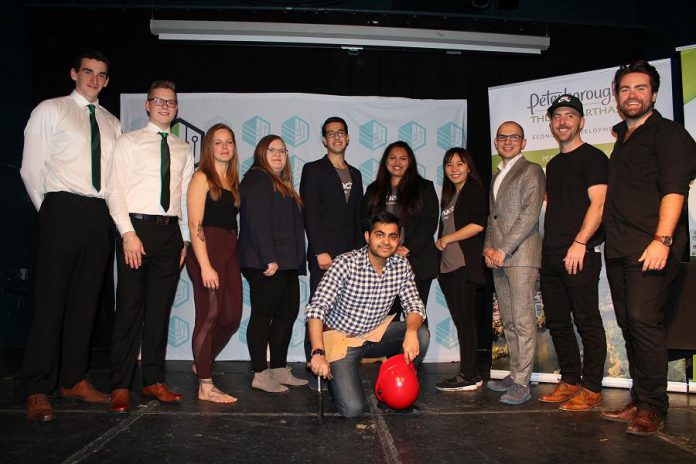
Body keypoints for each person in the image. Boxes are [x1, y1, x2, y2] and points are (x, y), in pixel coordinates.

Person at [20, 50, 121, 422]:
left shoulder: (112, 122)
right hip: (60, 209)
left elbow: (114, 178)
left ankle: (73, 379)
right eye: (88, 72)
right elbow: (31, 168)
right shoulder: (51, 109)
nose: (94, 79)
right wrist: (48, 213)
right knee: (50, 302)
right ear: (74, 73)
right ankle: (37, 387)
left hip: (100, 214)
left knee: (86, 302)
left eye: (102, 74)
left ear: (107, 81)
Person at [600, 60, 696, 435]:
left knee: (644, 322)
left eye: (640, 88)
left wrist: (663, 240)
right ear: (616, 97)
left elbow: (675, 189)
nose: (632, 95)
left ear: (653, 94)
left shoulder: (669, 134)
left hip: (651, 247)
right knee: (629, 325)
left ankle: (654, 406)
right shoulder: (623, 140)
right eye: (625, 89)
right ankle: (640, 398)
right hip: (619, 250)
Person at [105, 80, 194, 413]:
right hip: (136, 230)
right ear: (146, 105)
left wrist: (184, 238)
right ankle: (120, 386)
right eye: (158, 101)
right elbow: (114, 191)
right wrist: (128, 233)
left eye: (170, 102)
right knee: (129, 311)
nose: (164, 106)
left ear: (176, 108)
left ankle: (153, 380)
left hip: (170, 235)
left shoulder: (184, 148)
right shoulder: (127, 142)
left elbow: (184, 198)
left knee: (159, 312)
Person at [306, 212, 430, 418]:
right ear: (367, 237)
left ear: (399, 240)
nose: (386, 242)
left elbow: (414, 304)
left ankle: (391, 387)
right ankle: (337, 379)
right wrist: (318, 352)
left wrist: (411, 331)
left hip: (374, 334)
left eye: (392, 236)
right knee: (352, 410)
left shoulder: (401, 265)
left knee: (420, 334)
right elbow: (317, 308)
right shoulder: (346, 263)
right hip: (341, 339)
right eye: (380, 235)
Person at [538, 94, 608, 411]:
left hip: (579, 252)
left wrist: (580, 242)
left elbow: (599, 203)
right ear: (551, 124)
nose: (562, 121)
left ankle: (592, 388)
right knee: (557, 322)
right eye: (557, 116)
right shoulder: (553, 164)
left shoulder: (594, 158)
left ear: (581, 121)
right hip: (551, 255)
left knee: (586, 321)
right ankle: (569, 380)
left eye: (569, 115)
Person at [238, 134, 308, 393]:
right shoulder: (257, 179)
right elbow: (257, 222)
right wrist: (269, 257)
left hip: (286, 262)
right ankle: (259, 373)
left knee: (286, 314)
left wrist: (295, 261)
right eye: (272, 150)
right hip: (267, 262)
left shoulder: (280, 182)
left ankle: (278, 369)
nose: (278, 154)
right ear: (260, 154)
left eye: (282, 150)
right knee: (262, 316)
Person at [483, 121, 545, 405]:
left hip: (520, 258)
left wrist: (503, 250)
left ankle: (522, 382)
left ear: (524, 142)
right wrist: (488, 249)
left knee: (522, 321)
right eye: (502, 137)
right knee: (507, 321)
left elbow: (529, 216)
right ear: (496, 142)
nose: (508, 141)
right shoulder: (498, 174)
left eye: (514, 137)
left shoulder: (531, 170)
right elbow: (492, 218)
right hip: (498, 258)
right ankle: (514, 373)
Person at [185, 123, 243, 403]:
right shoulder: (201, 177)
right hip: (205, 252)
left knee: (231, 317)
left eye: (228, 142)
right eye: (218, 142)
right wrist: (205, 265)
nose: (224, 147)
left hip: (229, 253)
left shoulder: (232, 180)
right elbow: (195, 223)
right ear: (209, 147)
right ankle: (205, 384)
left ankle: (202, 360)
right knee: (209, 314)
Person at [300, 117, 364, 367]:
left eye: (341, 133)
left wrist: (361, 255)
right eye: (331, 133)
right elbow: (310, 214)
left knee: (346, 312)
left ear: (348, 138)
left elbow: (358, 218)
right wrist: (319, 251)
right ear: (324, 140)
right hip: (324, 257)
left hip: (350, 258)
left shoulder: (356, 174)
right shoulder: (313, 170)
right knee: (319, 310)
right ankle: (315, 362)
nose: (337, 137)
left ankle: (341, 364)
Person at [362, 141, 439, 317]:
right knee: (385, 319)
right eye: (393, 158)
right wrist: (384, 247)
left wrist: (407, 247)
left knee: (416, 316)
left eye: (403, 158)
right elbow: (365, 221)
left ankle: (416, 345)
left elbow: (429, 223)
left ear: (410, 161)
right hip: (382, 263)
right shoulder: (374, 189)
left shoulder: (425, 187)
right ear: (385, 161)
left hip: (417, 261)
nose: (397, 163)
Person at [433, 148, 488, 392]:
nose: (454, 169)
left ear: (469, 167)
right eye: (449, 165)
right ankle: (467, 372)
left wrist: (447, 239)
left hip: (465, 265)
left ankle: (469, 374)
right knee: (460, 321)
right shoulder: (448, 196)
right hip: (448, 269)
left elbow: (477, 225)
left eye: (460, 164)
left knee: (466, 323)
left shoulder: (474, 190)